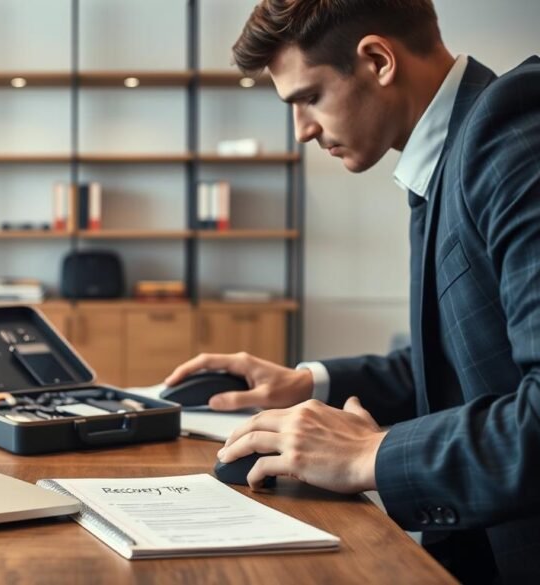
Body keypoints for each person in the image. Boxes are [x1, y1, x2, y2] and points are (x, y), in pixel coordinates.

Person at [164, 0, 540, 581]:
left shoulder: (512, 135)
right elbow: (457, 367)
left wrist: (370, 453)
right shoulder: (451, 156)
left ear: (378, 60)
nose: (302, 131)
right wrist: (306, 383)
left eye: (309, 98)